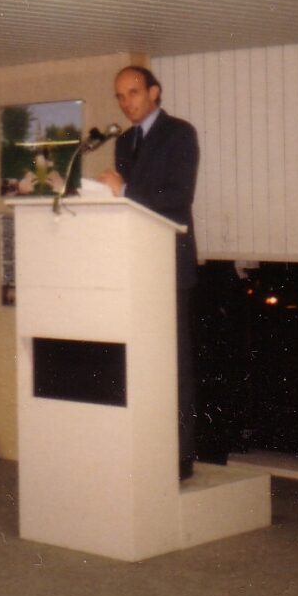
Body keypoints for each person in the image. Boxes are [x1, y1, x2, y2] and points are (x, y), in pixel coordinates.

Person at [97, 65, 200, 480]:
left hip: (168, 267)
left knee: (174, 366)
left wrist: (125, 191)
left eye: (134, 93)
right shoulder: (124, 141)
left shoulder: (180, 133)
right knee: (140, 366)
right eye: (120, 96)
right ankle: (148, 451)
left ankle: (180, 456)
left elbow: (178, 197)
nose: (127, 103)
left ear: (154, 92)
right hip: (133, 269)